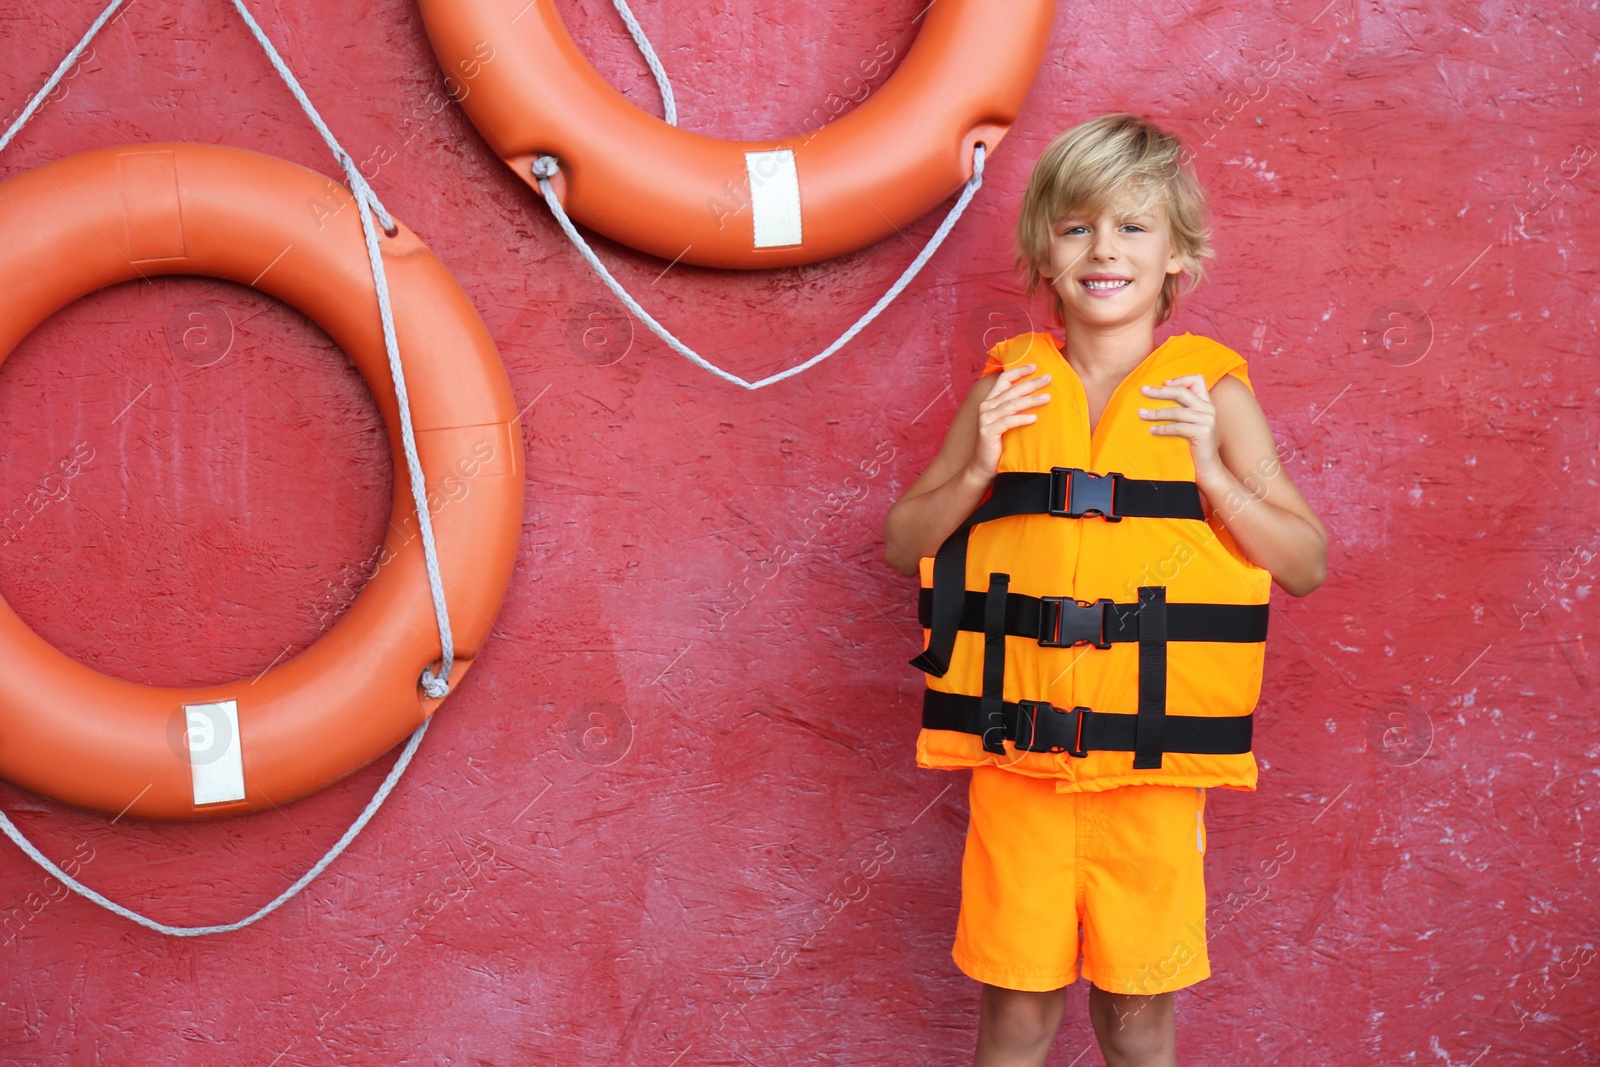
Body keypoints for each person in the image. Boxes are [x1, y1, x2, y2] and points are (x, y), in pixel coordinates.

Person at [882, 114, 1327, 1066]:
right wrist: (976, 471)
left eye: (1133, 227)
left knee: (1136, 1020)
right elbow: (901, 541)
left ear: (1179, 255)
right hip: (1019, 767)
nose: (1103, 250)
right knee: (1017, 1015)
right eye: (1078, 226)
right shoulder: (1009, 388)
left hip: (1151, 780)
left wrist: (1215, 470)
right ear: (1043, 247)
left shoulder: (1213, 397)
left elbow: (1304, 561)